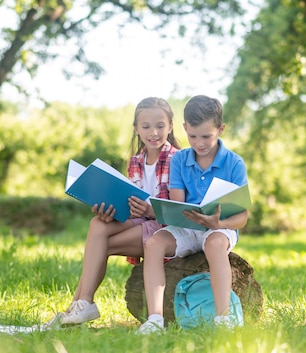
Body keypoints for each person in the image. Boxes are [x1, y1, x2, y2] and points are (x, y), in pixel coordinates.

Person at [46, 97, 180, 328]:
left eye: (160, 125)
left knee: (100, 246)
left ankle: (77, 305)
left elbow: (178, 209)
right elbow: (131, 206)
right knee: (98, 224)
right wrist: (110, 209)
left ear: (170, 126)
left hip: (164, 228)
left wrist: (149, 210)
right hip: (139, 222)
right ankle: (82, 303)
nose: (154, 132)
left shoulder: (178, 159)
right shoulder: (136, 161)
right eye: (146, 126)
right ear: (136, 129)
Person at [137, 95, 249, 334]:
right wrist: (178, 213)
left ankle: (223, 319)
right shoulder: (179, 159)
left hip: (220, 226)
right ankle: (155, 320)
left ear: (220, 129)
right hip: (188, 225)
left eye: (206, 136)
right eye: (193, 136)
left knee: (215, 243)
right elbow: (177, 203)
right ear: (185, 128)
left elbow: (242, 217)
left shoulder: (234, 163)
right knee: (154, 243)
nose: (199, 143)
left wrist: (218, 222)